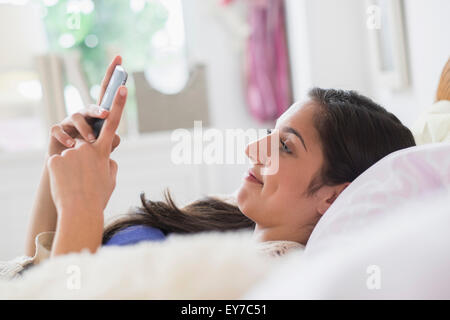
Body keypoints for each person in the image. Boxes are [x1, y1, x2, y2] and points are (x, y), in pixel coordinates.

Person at [1, 56, 416, 279]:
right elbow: (37, 274)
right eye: (271, 133)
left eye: (286, 147)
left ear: (333, 195)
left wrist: (81, 204)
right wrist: (57, 164)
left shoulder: (270, 280)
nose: (256, 148)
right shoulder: (232, 222)